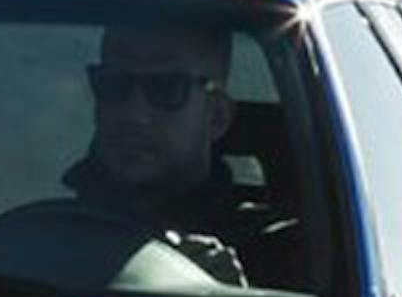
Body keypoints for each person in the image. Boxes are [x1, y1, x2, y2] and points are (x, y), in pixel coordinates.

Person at [66, 21, 271, 278]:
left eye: (166, 88)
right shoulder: (38, 245)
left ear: (217, 115)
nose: (134, 113)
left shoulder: (275, 258)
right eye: (114, 84)